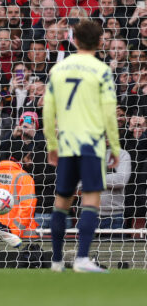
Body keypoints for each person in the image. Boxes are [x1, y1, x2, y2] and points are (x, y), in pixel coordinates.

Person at [43, 19, 121, 273]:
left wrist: (51, 143)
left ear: (73, 40)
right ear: (101, 42)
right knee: (90, 201)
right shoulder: (102, 71)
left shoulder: (59, 69)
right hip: (91, 145)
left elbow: (47, 110)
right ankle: (81, 259)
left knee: (61, 202)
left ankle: (56, 261)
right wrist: (115, 147)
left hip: (65, 144)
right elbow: (110, 113)